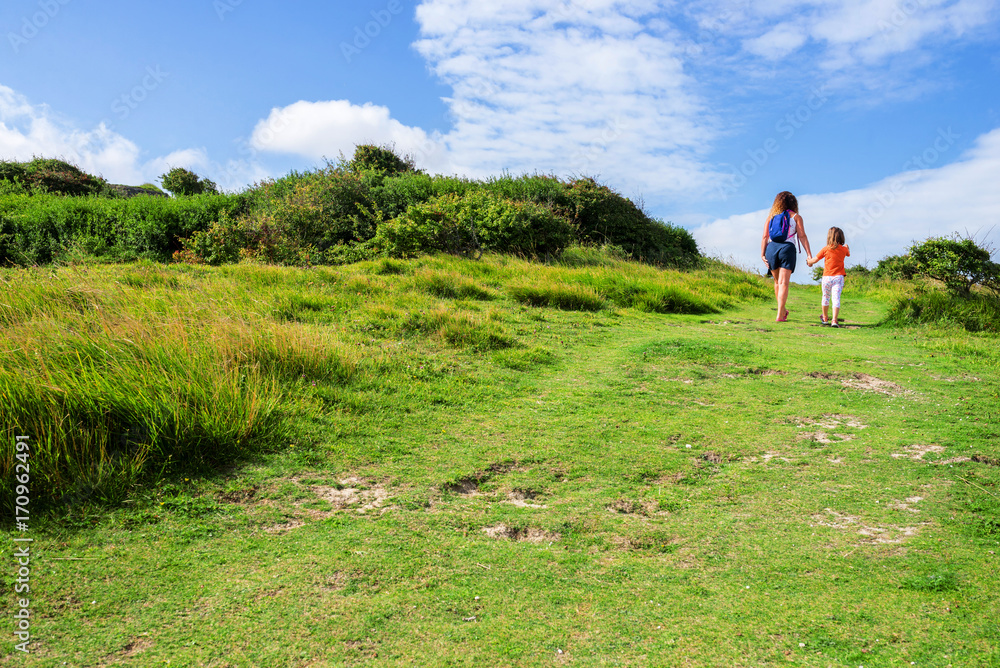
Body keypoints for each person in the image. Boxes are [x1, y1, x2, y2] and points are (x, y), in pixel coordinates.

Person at [761, 191, 812, 322]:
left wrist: (762, 254)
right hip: (787, 249)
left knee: (777, 282)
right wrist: (809, 254)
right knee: (784, 283)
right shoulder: (796, 217)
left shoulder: (771, 217)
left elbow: (765, 237)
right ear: (793, 203)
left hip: (771, 249)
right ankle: (780, 315)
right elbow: (802, 236)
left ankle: (783, 311)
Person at [806, 227, 850, 327]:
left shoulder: (825, 249)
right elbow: (848, 254)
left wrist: (808, 261)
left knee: (825, 297)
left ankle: (825, 318)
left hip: (826, 277)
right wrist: (847, 247)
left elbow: (814, 260)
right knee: (836, 298)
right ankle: (834, 320)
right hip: (838, 278)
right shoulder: (844, 249)